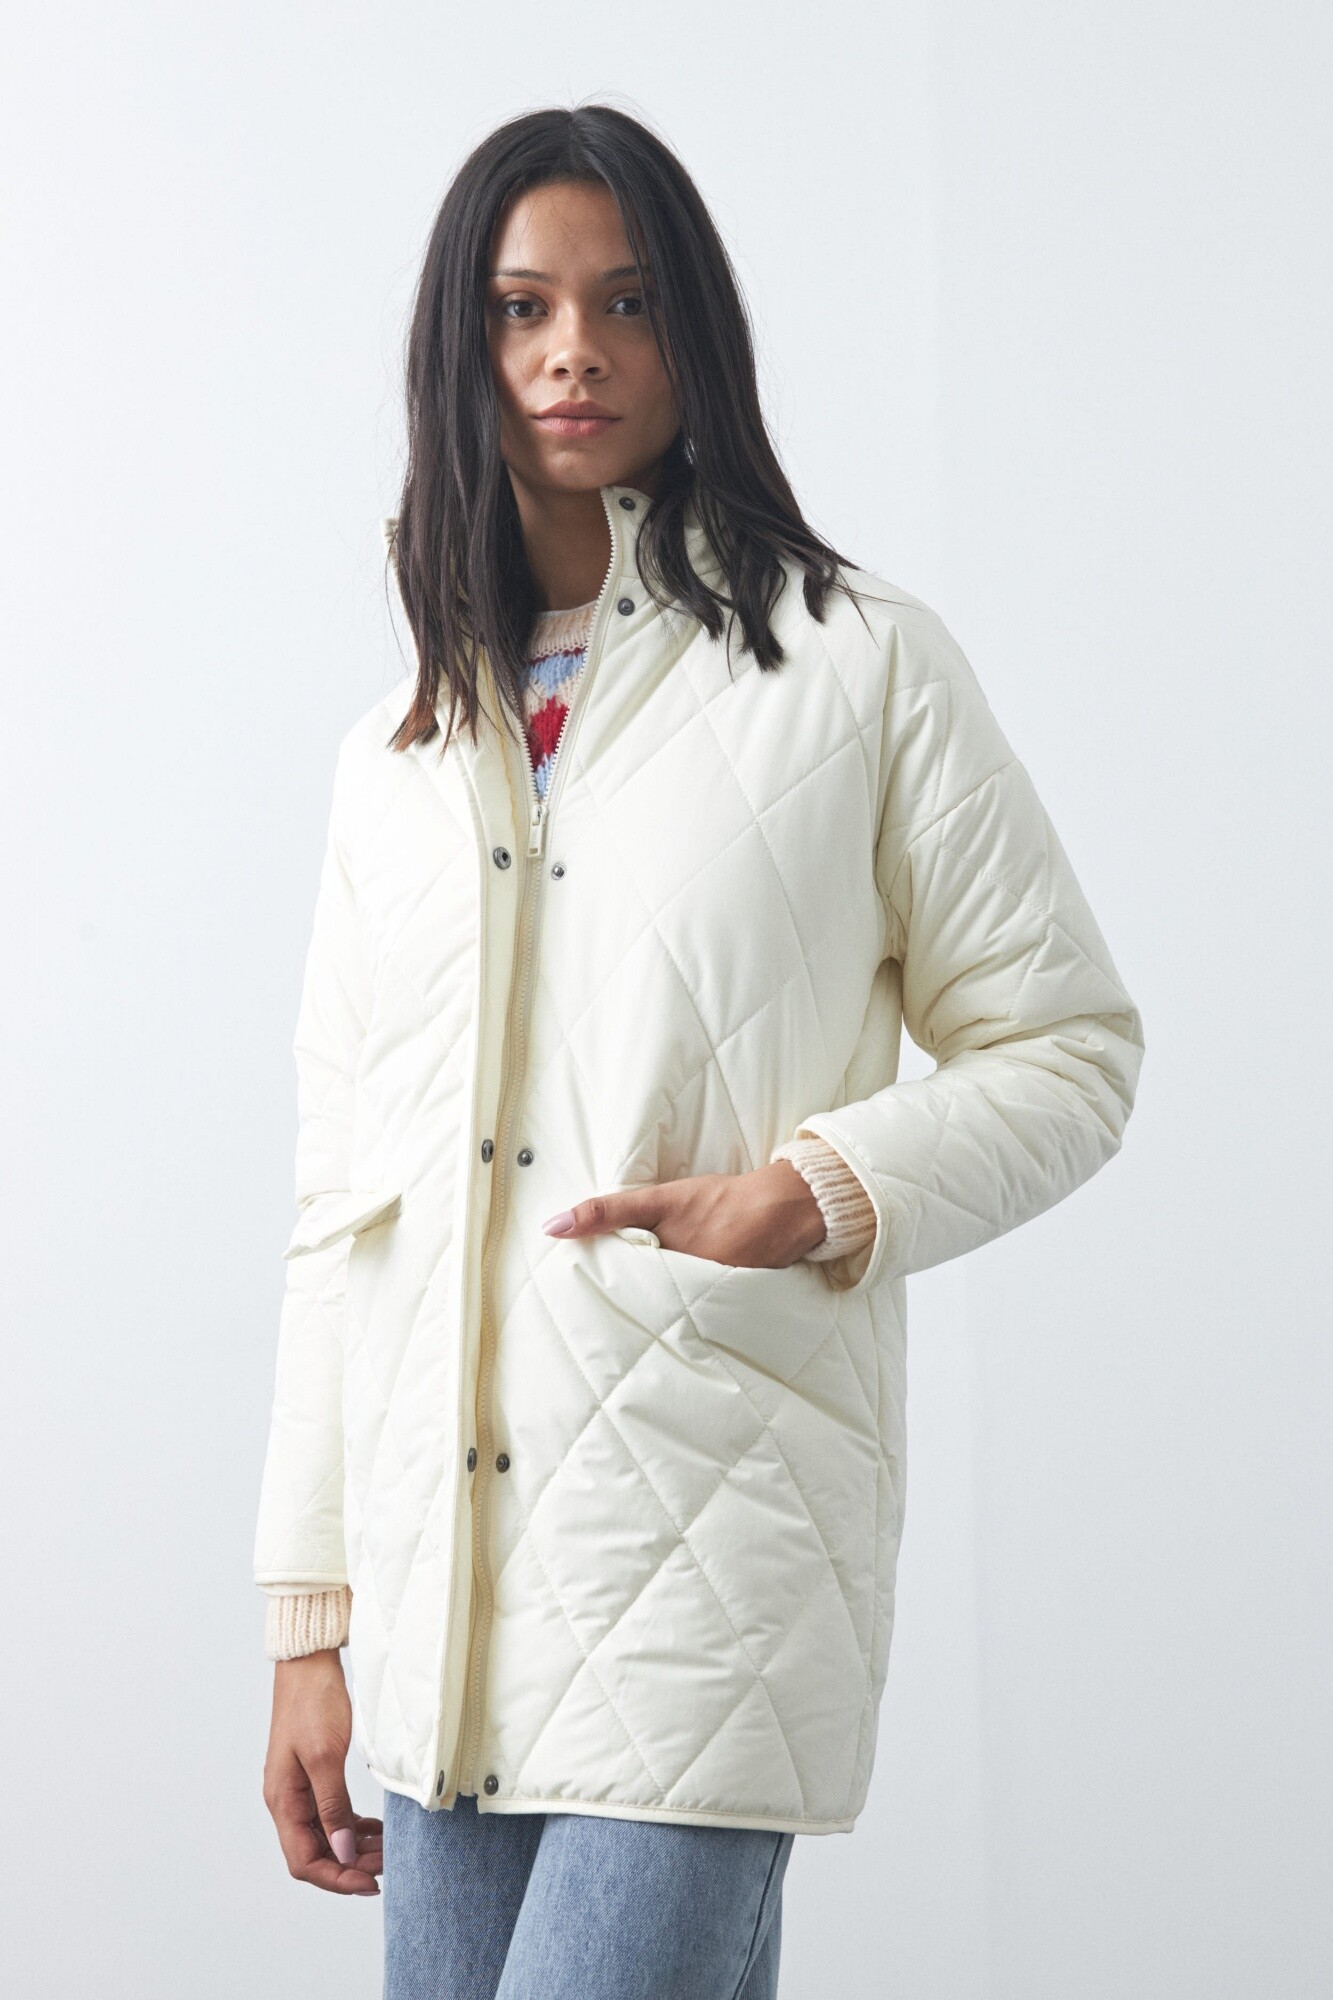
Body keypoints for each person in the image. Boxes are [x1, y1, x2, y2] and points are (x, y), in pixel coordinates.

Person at [253, 103, 1145, 1999]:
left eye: (627, 300)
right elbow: (343, 1216)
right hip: (437, 1621)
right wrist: (309, 1624)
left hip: (708, 1565)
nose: (572, 349)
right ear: (460, 347)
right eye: (521, 307)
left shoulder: (855, 665)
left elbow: (1066, 1046)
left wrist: (812, 1193)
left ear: (695, 337)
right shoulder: (397, 752)